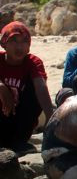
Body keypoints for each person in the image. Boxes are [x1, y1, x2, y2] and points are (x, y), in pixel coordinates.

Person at [0, 21, 55, 153]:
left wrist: (50, 116)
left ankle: (19, 142)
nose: (19, 46)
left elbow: (41, 87)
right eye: (14, 41)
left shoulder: (32, 62)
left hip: (19, 121)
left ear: (29, 46)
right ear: (4, 44)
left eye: (24, 41)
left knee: (36, 87)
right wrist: (1, 87)